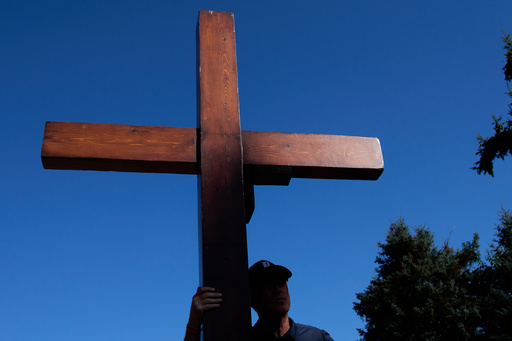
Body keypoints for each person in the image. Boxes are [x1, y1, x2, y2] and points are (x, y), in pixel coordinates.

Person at [184, 260, 334, 340]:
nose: (277, 289)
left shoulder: (317, 337)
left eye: (281, 282)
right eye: (267, 285)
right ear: (252, 299)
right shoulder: (243, 338)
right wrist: (194, 324)